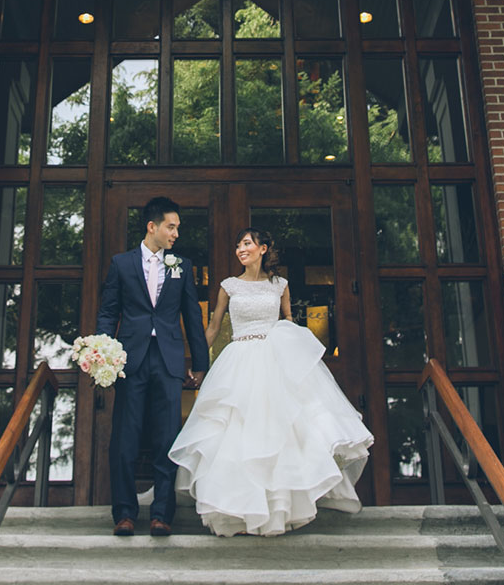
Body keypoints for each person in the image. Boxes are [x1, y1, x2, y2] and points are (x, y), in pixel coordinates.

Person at [169, 227, 373, 537]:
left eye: (247, 243)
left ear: (263, 249)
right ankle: (236, 507)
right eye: (238, 244)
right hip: (237, 360)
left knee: (279, 432)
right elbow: (211, 328)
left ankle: (278, 507)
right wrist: (195, 363)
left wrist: (299, 362)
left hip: (273, 357)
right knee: (235, 430)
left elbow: (288, 323)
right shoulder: (228, 286)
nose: (241, 249)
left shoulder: (280, 286)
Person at [94, 195, 210, 537]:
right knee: (125, 439)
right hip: (131, 359)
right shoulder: (121, 264)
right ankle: (125, 514)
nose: (175, 233)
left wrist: (200, 363)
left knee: (166, 439)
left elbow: (191, 315)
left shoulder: (182, 266)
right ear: (152, 227)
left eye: (177, 228)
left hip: (169, 360)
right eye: (170, 227)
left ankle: (162, 514)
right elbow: (108, 311)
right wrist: (104, 352)